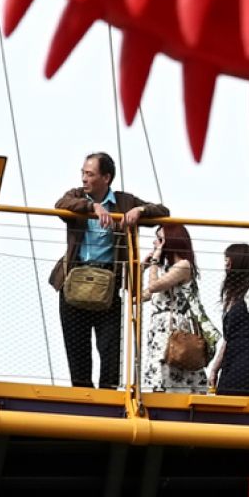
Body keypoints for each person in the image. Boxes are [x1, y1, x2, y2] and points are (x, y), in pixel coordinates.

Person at [51, 153, 168, 388]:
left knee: (110, 348)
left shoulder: (123, 201)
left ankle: (109, 396)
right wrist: (91, 206)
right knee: (77, 347)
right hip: (75, 280)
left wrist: (141, 210)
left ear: (106, 177)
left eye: (90, 174)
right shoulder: (77, 196)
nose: (84, 178)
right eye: (83, 173)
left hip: (108, 283)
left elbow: (163, 211)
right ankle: (83, 397)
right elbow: (60, 204)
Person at [141, 224, 213, 393]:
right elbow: (140, 296)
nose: (155, 244)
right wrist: (142, 268)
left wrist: (154, 261)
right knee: (160, 368)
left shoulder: (183, 265)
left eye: (160, 240)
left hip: (173, 326)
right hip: (159, 327)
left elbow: (153, 286)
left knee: (171, 364)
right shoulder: (166, 269)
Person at [207, 243, 249, 396]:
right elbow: (228, 338)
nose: (226, 263)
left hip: (247, 359)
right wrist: (215, 368)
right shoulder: (232, 296)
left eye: (229, 258)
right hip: (231, 360)